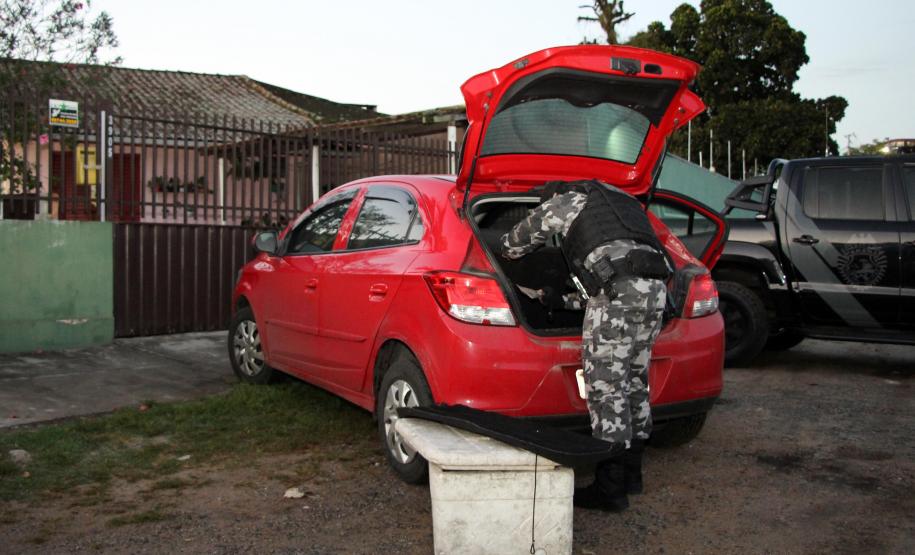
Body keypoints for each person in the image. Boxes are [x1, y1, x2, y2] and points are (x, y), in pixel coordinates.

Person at [501, 178, 671, 512]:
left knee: (607, 388)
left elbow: (514, 243)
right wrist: (555, 297)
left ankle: (609, 491)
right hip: (655, 291)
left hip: (618, 293)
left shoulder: (567, 202)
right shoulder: (621, 206)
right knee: (635, 380)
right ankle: (632, 477)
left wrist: (508, 251)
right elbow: (603, 278)